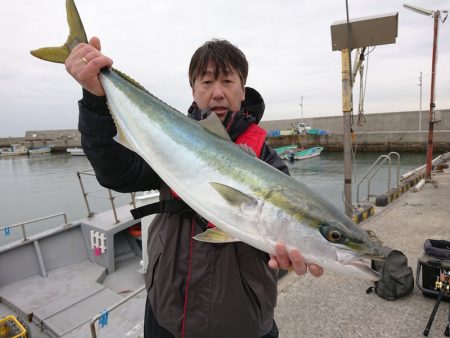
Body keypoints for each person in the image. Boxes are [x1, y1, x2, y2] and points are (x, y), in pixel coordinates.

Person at [65, 37, 323, 338]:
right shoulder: (169, 141)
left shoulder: (268, 162)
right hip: (167, 314)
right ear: (193, 90)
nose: (217, 93)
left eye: (227, 81)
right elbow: (116, 174)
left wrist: (293, 252)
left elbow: (287, 227)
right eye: (206, 82)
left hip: (243, 324)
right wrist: (96, 100)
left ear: (243, 89)